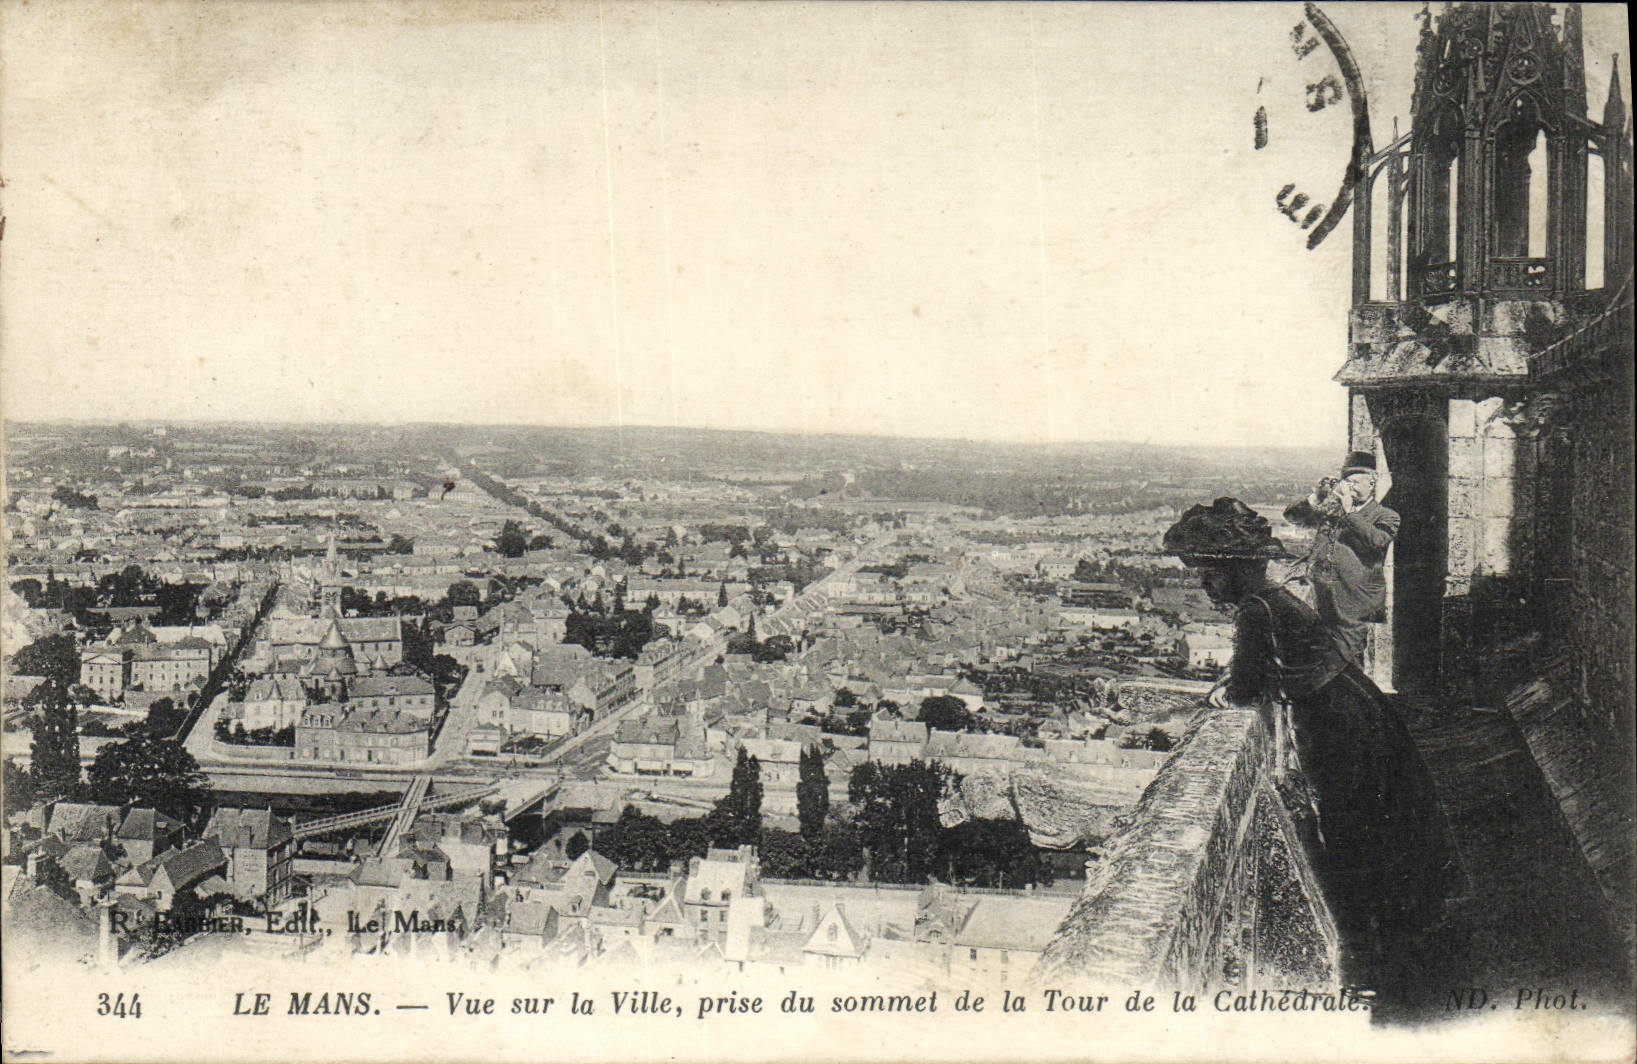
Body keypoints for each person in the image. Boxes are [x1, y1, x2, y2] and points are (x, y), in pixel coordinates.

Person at [1163, 497, 1450, 987]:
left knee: (1348, 823)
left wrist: (1223, 697)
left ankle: (1374, 953)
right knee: (1371, 819)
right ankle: (1392, 937)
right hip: (1352, 702)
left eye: (1208, 574)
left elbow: (1246, 689)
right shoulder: (1276, 600)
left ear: (1233, 572)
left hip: (1336, 720)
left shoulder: (1255, 611)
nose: (1204, 585)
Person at [1284, 451, 1398, 667]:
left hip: (1355, 602)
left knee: (1347, 661)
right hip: (1321, 595)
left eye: (1356, 482)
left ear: (1372, 483)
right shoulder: (1332, 510)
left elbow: (1378, 540)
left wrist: (1348, 512)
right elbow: (1293, 517)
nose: (1350, 488)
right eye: (1347, 482)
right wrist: (1315, 498)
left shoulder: (1386, 515)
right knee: (1318, 658)